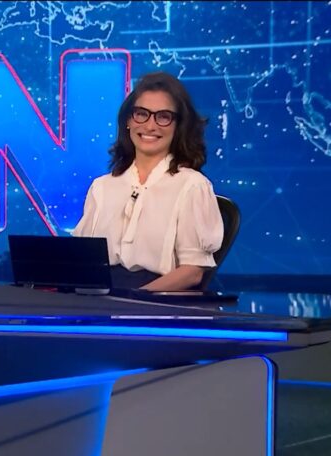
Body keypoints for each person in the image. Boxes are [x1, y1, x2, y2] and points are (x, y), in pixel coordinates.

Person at [72, 71, 223, 291]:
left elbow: (192, 273)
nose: (150, 126)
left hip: (155, 300)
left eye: (163, 116)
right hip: (99, 299)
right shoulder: (102, 187)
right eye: (141, 114)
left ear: (178, 126)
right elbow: (82, 261)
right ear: (128, 121)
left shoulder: (192, 186)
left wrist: (135, 299)